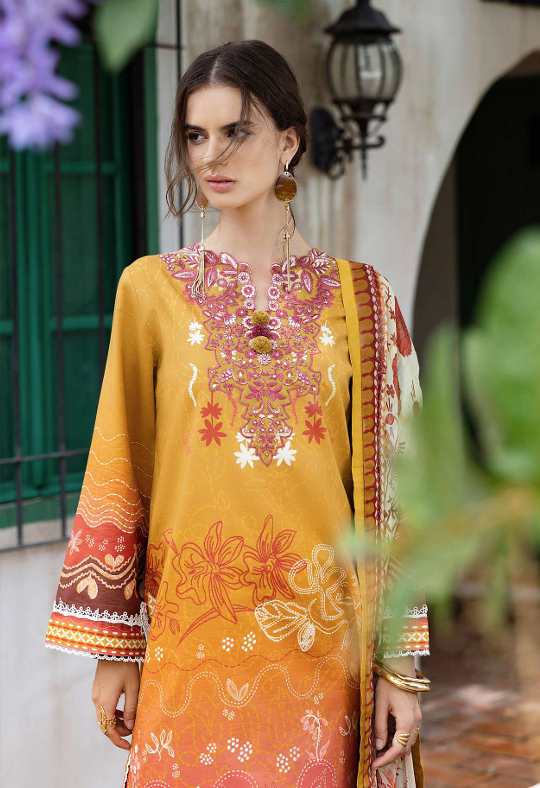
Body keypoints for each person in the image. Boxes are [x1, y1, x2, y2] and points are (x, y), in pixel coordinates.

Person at [45, 39, 430, 788]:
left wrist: (400, 667)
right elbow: (119, 465)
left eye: (235, 131)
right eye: (196, 135)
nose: (210, 155)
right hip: (190, 647)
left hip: (324, 654)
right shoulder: (150, 291)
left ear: (289, 141)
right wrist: (114, 648)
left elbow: (401, 495)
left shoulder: (363, 300)